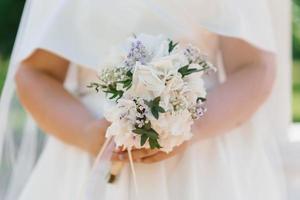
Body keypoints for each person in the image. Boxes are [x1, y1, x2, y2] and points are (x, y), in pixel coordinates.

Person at [0, 0, 291, 199]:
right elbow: (35, 73)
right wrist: (87, 134)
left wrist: (191, 127)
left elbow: (254, 67)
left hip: (200, 160)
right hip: (93, 152)